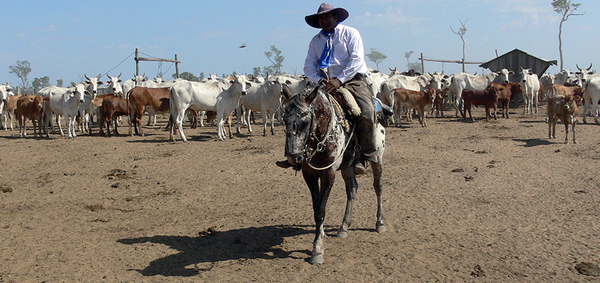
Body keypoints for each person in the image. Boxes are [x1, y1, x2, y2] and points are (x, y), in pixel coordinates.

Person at [276, 3, 377, 174]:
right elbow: (309, 67)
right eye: (321, 18)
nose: (324, 20)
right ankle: (296, 155)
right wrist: (320, 81)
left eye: (327, 16)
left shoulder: (350, 33)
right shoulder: (316, 41)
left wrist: (340, 80)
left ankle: (365, 155)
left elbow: (357, 60)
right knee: (298, 113)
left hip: (352, 80)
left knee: (366, 110)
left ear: (336, 17)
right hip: (324, 83)